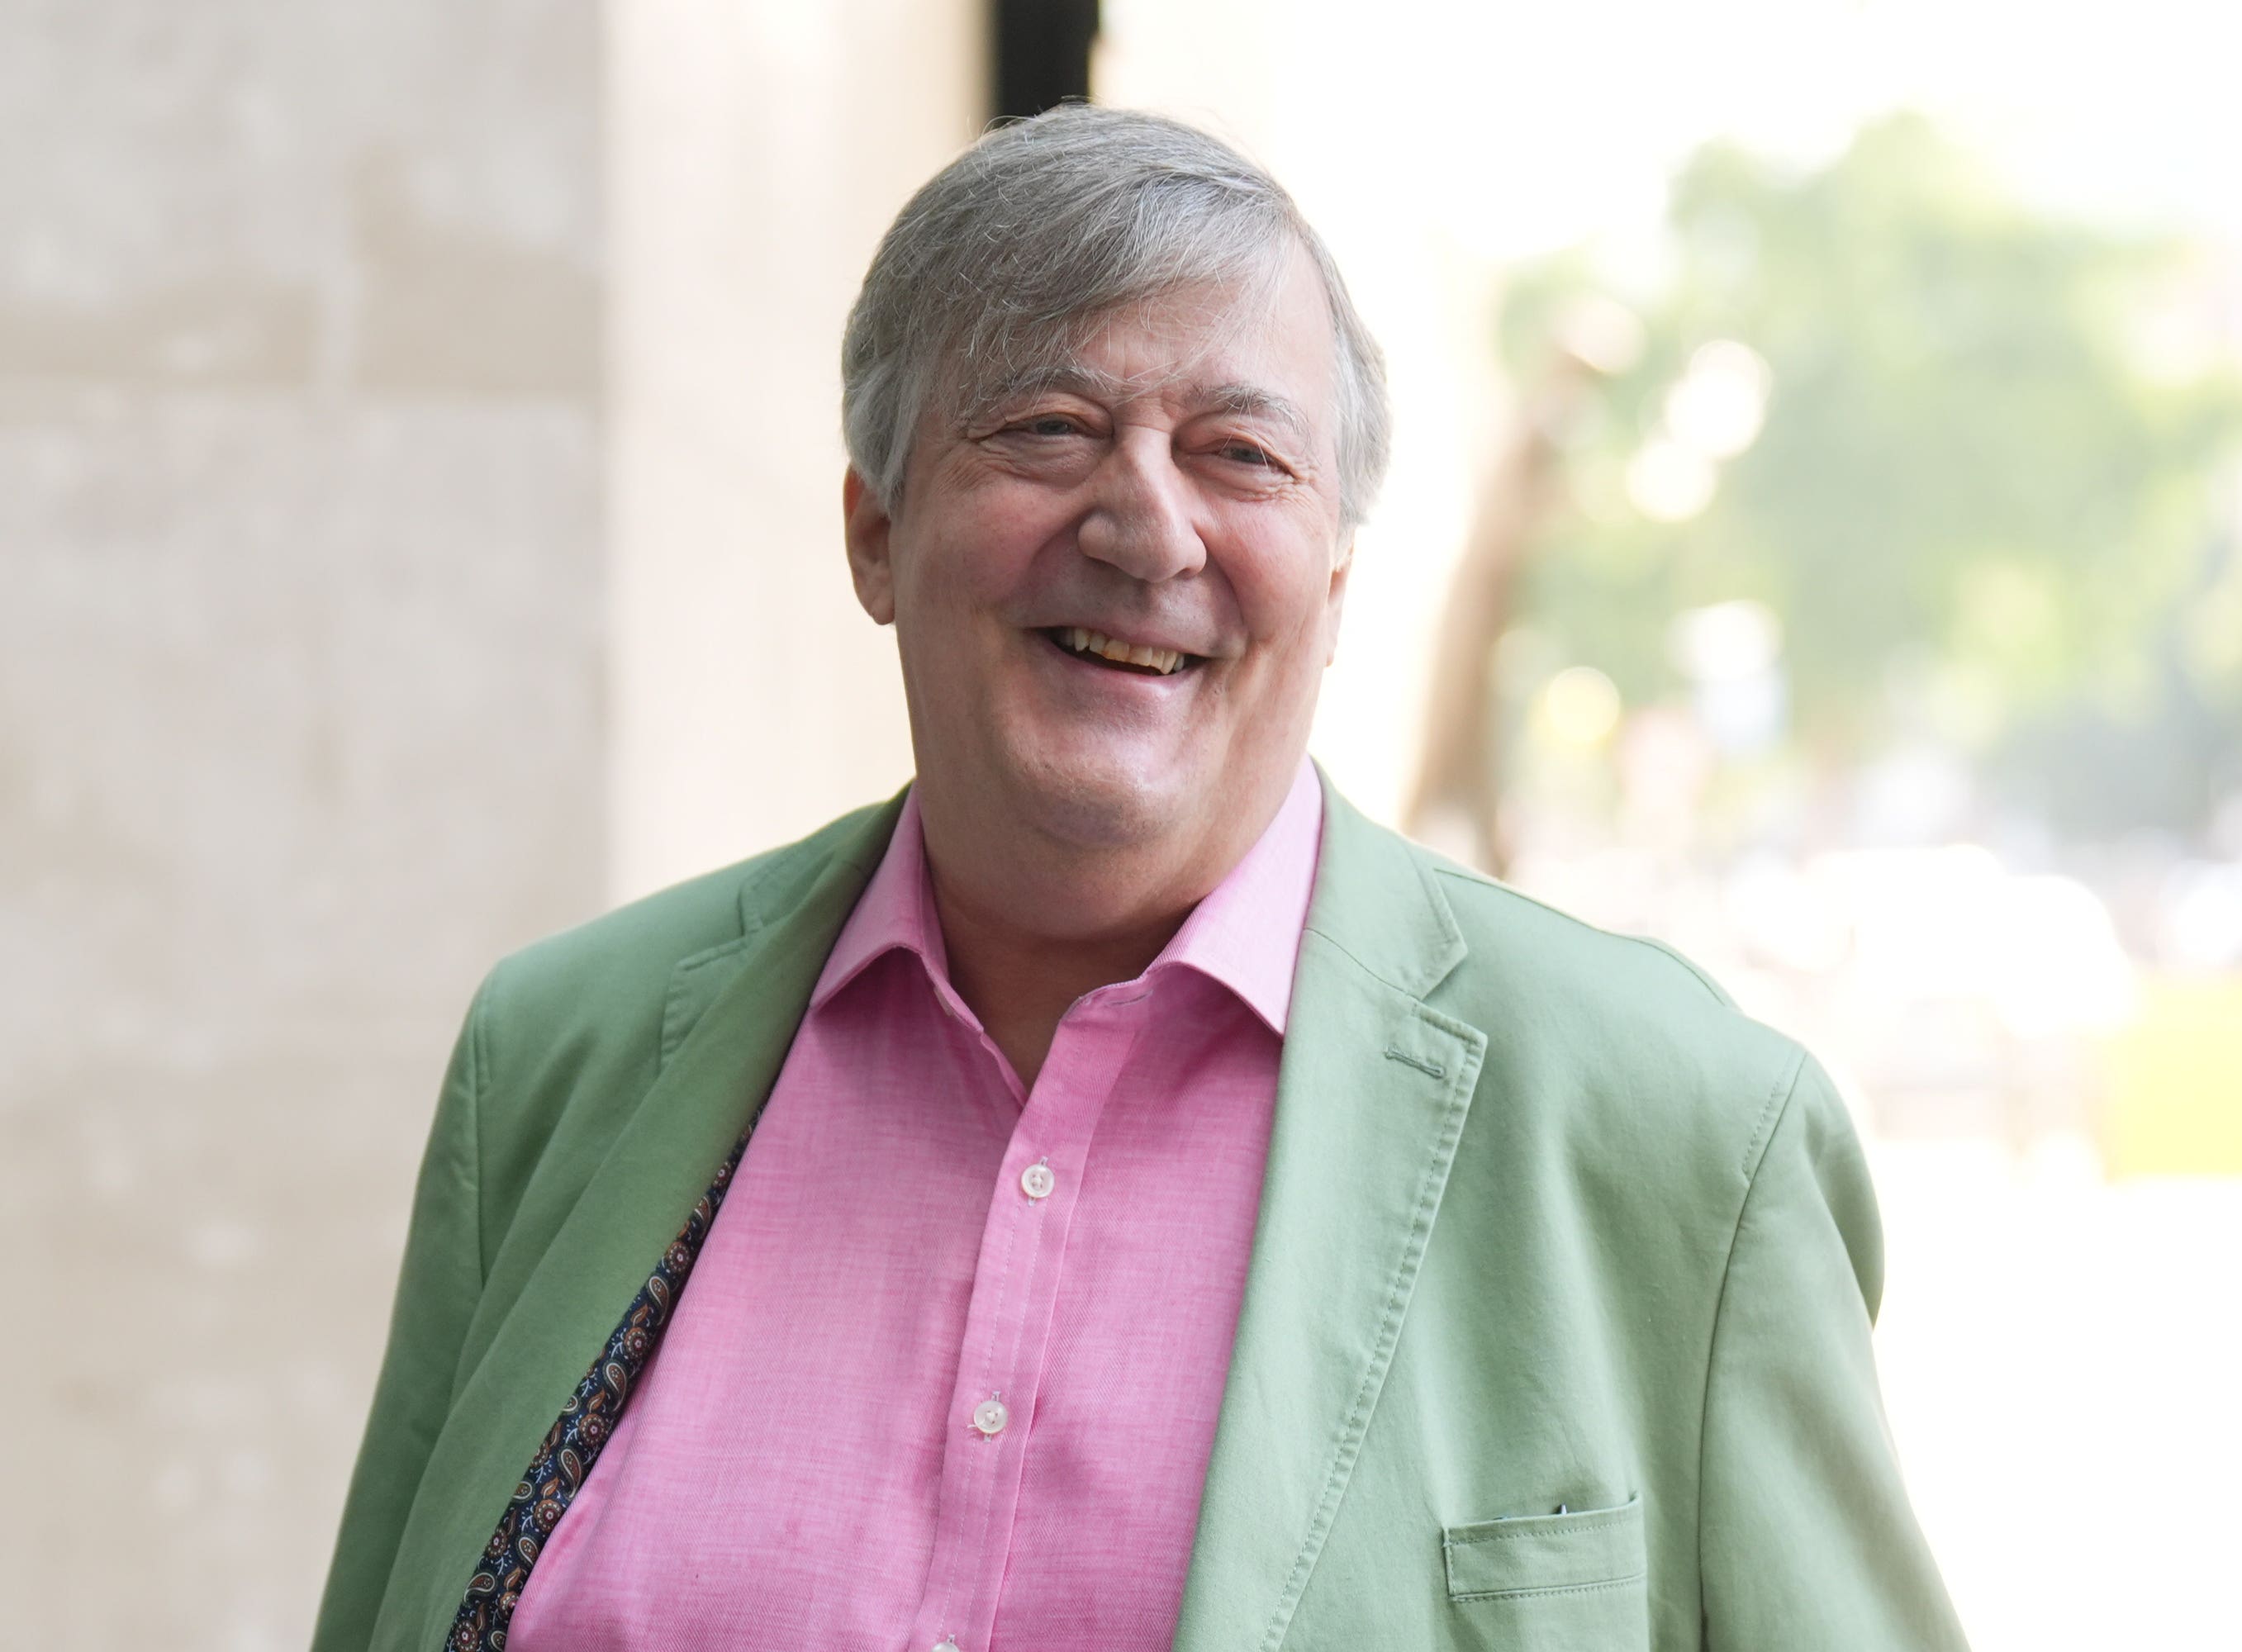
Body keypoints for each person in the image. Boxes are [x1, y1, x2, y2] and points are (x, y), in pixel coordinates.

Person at [311, 105, 1966, 1652]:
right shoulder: (559, 1063)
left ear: (1332, 569)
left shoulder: (1684, 1136)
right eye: (1048, 427)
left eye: (1241, 454)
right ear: (874, 532)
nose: (1147, 527)